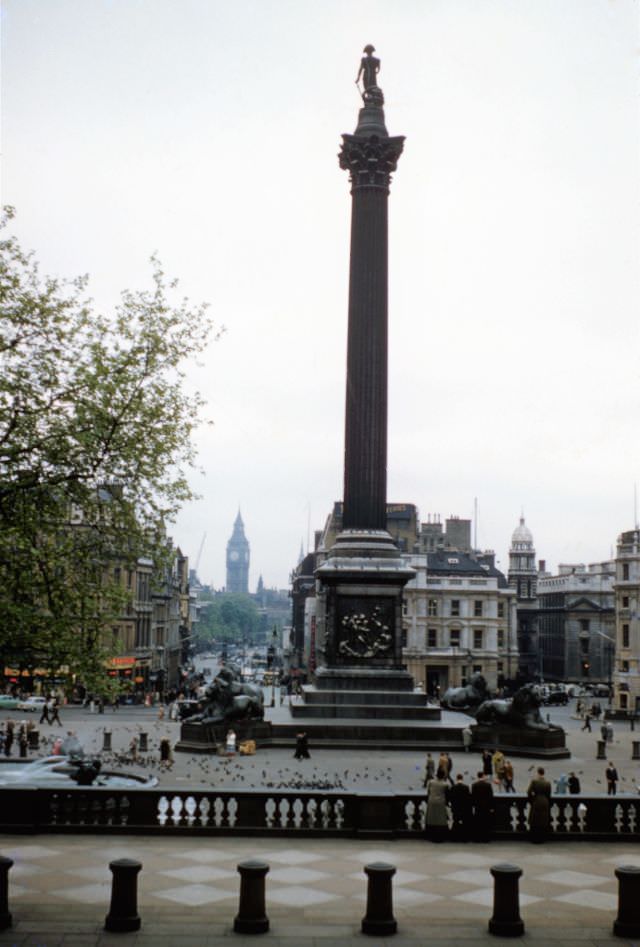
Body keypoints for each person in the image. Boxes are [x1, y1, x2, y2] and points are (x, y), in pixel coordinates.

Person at [527, 766, 552, 843]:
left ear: (538, 773)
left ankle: (535, 838)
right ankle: (542, 838)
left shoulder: (534, 781)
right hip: (545, 802)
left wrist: (532, 800)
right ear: (543, 773)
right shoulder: (548, 783)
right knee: (543, 820)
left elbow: (528, 791)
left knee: (535, 820)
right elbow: (549, 794)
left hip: (536, 801)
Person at [425, 769, 449, 842]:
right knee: (440, 819)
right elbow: (447, 794)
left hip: (431, 801)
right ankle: (440, 837)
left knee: (432, 818)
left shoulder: (431, 782)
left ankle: (431, 836)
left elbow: (428, 791)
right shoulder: (445, 784)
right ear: (443, 775)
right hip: (441, 802)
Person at [471, 772, 494, 842]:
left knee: (478, 822)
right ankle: (485, 838)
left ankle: (478, 838)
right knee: (485, 822)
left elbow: (473, 797)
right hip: (486, 807)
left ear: (478, 776)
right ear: (483, 776)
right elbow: (491, 797)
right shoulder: (488, 785)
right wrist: (491, 807)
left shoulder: (474, 785)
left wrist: (474, 805)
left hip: (478, 807)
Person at [448, 773, 472, 841]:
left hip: (456, 807)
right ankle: (464, 837)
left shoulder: (453, 787)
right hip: (464, 807)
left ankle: (455, 836)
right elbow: (468, 798)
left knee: (455, 821)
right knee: (464, 822)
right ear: (462, 779)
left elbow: (451, 797)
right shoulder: (466, 787)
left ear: (457, 779)